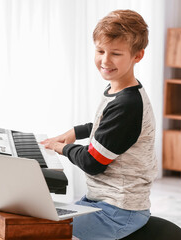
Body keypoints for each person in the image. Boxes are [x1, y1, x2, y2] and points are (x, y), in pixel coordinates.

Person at [41, 9, 158, 240]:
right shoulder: (119, 88)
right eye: (100, 50)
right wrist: (75, 132)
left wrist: (61, 148)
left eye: (115, 53)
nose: (105, 60)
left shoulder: (128, 104)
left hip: (120, 210)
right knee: (41, 218)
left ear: (137, 56)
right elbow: (104, 124)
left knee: (44, 232)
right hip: (102, 200)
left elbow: (92, 162)